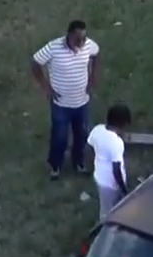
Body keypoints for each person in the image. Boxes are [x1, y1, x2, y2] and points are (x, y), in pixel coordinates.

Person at [31, 20, 101, 180]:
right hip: (61, 105)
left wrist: (94, 76)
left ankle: (79, 163)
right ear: (69, 35)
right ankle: (55, 166)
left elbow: (96, 54)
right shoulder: (54, 48)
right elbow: (35, 62)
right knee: (60, 137)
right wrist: (45, 86)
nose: (82, 43)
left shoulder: (89, 45)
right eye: (78, 39)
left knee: (81, 135)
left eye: (84, 39)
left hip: (82, 103)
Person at [87, 103, 132, 220]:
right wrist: (123, 188)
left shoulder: (97, 129)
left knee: (108, 205)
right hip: (110, 184)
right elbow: (116, 169)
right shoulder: (116, 143)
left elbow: (90, 145)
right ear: (122, 123)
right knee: (107, 213)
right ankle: (105, 232)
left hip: (99, 177)